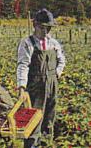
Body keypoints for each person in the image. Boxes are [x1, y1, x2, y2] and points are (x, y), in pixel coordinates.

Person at [17, 9, 65, 147]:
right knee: (34, 118)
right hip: (36, 85)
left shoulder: (53, 43)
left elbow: (62, 60)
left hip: (52, 84)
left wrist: (56, 74)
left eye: (47, 28)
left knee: (50, 116)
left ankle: (46, 143)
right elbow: (23, 65)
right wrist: (21, 86)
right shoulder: (28, 43)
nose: (45, 31)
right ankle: (32, 145)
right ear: (35, 25)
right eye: (42, 28)